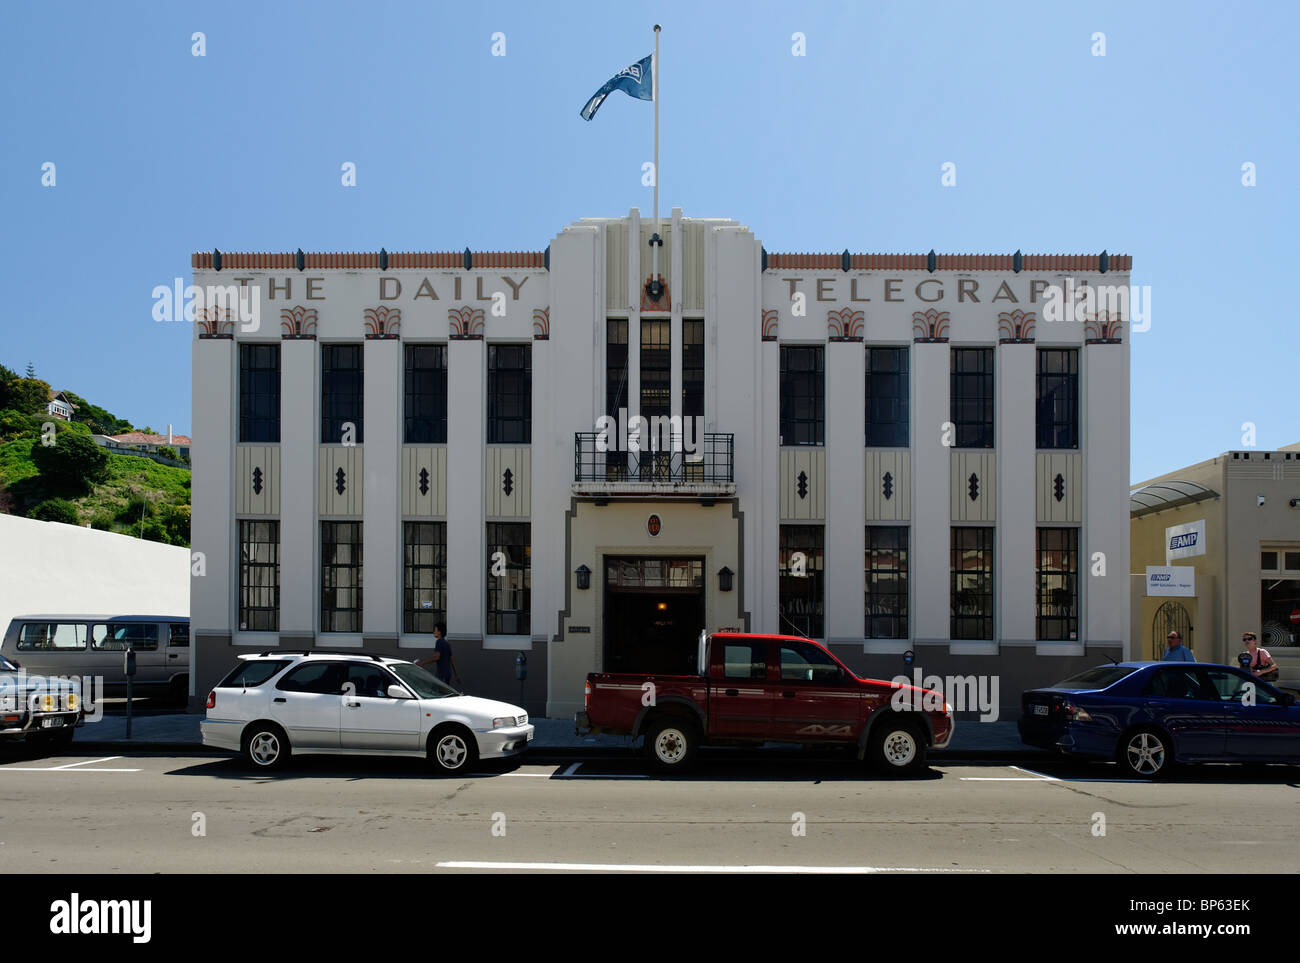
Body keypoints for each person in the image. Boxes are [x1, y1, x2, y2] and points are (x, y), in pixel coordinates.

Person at [415, 622, 462, 688]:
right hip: (448, 674)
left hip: (441, 674)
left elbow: (436, 657)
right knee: (445, 693)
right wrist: (456, 675)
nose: (433, 632)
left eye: (435, 630)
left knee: (438, 693)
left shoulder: (439, 642)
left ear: (439, 632)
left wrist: (421, 663)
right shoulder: (447, 643)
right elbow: (451, 660)